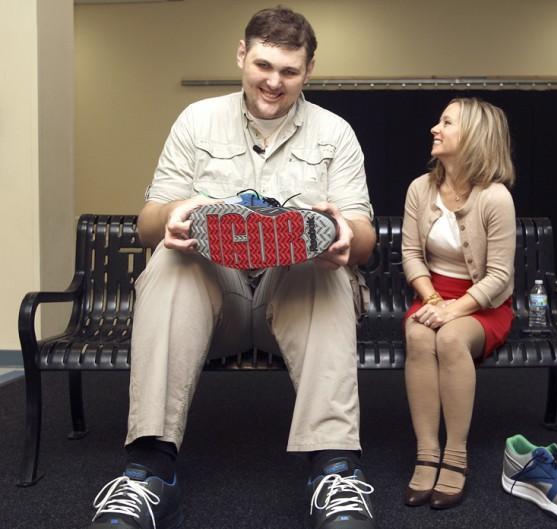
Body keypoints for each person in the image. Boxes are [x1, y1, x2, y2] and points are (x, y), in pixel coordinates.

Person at [83, 7, 377, 529]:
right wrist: (170, 218)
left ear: (308, 70)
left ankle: (334, 472)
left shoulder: (336, 133)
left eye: (289, 71)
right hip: (215, 300)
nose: (274, 81)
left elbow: (364, 237)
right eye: (264, 65)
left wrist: (347, 239)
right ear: (242, 55)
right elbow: (148, 221)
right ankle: (150, 473)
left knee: (325, 271)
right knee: (169, 264)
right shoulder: (196, 120)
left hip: (293, 298)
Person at [401, 97, 517, 509]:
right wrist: (432, 297)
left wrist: (455, 308)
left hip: (484, 304)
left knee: (450, 340)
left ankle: (455, 456)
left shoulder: (496, 198)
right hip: (434, 295)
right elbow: (412, 255)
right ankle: (427, 451)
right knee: (417, 335)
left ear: (474, 138)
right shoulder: (420, 188)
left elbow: (500, 277)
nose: (435, 128)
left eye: (446, 123)